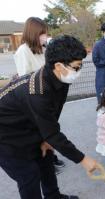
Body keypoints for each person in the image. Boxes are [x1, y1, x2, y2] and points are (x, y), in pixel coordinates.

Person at [0, 35, 97, 199]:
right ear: (59, 66)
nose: (79, 71)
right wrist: (83, 159)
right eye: (77, 67)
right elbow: (52, 133)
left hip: (29, 125)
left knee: (46, 160)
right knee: (29, 175)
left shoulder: (60, 79)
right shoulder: (37, 92)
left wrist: (46, 139)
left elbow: (54, 113)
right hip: (6, 136)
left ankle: (53, 196)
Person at [13, 17, 65, 173]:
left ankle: (50, 157)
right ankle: (46, 162)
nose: (45, 36)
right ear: (33, 32)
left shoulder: (43, 48)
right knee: (40, 131)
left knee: (49, 129)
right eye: (42, 33)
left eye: (46, 33)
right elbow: (24, 78)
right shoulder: (23, 51)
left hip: (47, 95)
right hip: (34, 98)